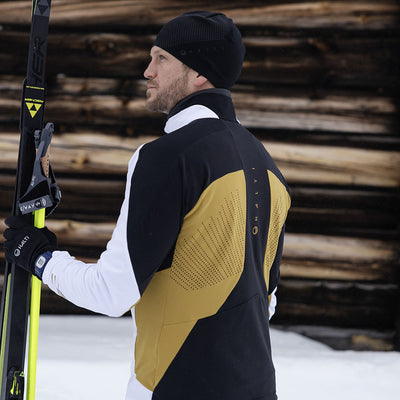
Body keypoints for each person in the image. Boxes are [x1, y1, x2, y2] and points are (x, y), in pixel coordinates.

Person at [3, 11, 291, 400]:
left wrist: (38, 256)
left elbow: (111, 292)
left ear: (199, 74)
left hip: (173, 387)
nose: (147, 71)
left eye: (161, 58)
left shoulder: (168, 157)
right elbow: (265, 302)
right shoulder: (268, 167)